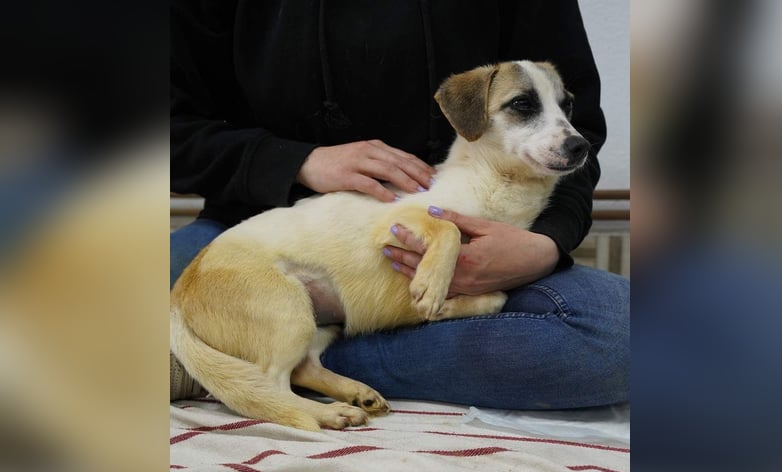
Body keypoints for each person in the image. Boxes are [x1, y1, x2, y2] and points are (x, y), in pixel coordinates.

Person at [170, 0, 630, 409]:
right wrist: (294, 162)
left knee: (620, 337)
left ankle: (254, 357)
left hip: (472, 246)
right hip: (253, 229)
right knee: (137, 309)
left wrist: (547, 244)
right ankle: (257, 349)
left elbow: (577, 138)